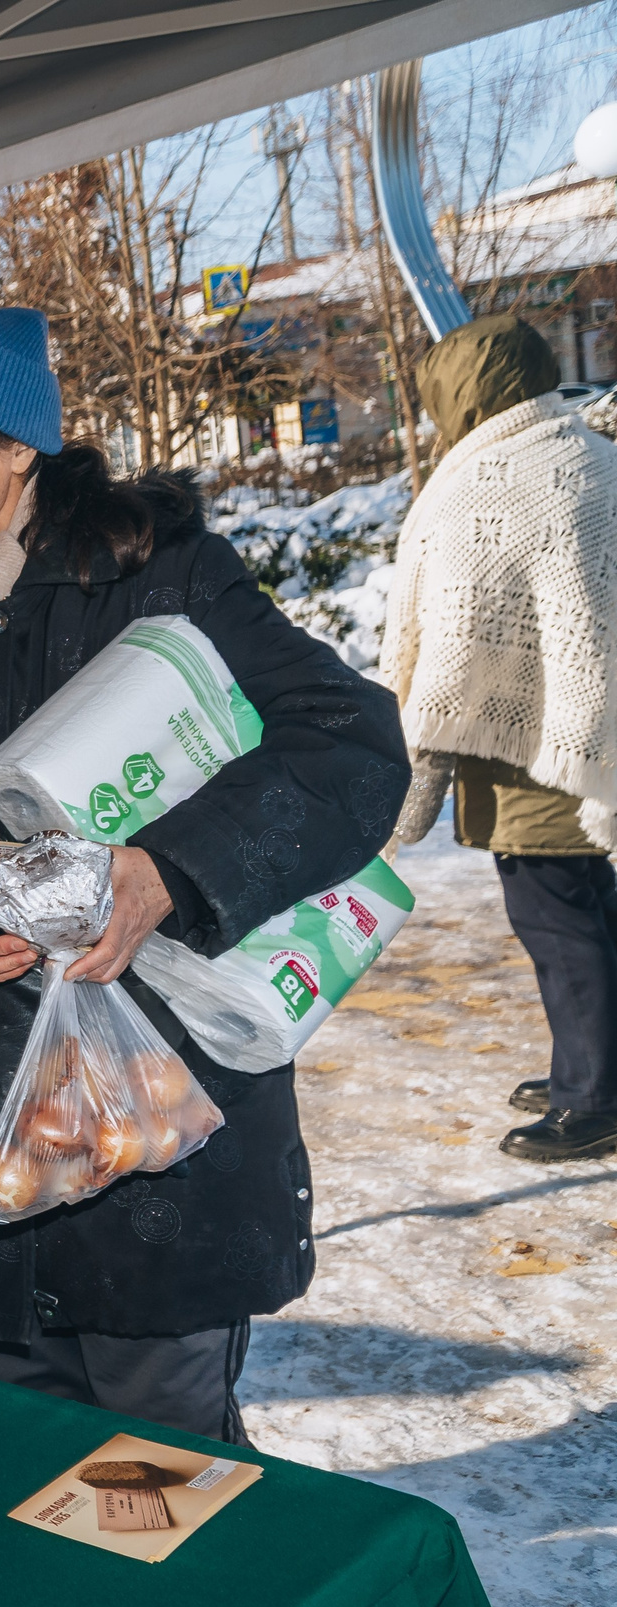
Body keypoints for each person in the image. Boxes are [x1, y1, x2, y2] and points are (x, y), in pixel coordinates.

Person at [0, 308, 406, 1442]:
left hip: (153, 1120)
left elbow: (348, 745)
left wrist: (168, 873)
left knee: (167, 1457)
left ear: (16, 446)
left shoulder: (160, 580)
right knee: (11, 1452)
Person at [383, 314, 617, 1163]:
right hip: (597, 728)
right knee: (595, 906)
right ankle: (592, 1066)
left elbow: (446, 656)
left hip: (526, 748)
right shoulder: (594, 451)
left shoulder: (478, 485)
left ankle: (589, 1099)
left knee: (555, 919)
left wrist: (407, 791)